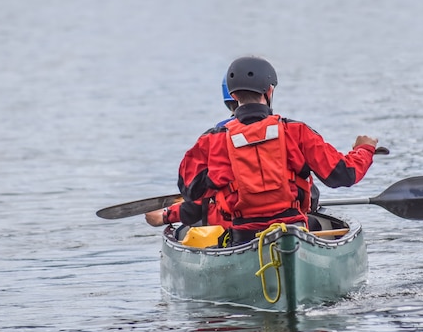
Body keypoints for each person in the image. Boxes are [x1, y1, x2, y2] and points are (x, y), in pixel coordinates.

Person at [176, 56, 378, 246]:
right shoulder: (296, 132)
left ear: (234, 96)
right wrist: (364, 149)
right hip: (294, 233)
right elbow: (344, 175)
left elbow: (188, 189)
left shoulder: (212, 141)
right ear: (270, 91)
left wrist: (219, 184)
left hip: (242, 237)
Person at [144, 75, 238, 228]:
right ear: (269, 91)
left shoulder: (212, 139)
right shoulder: (286, 130)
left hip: (232, 227)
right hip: (282, 224)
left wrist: (167, 215)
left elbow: (194, 197)